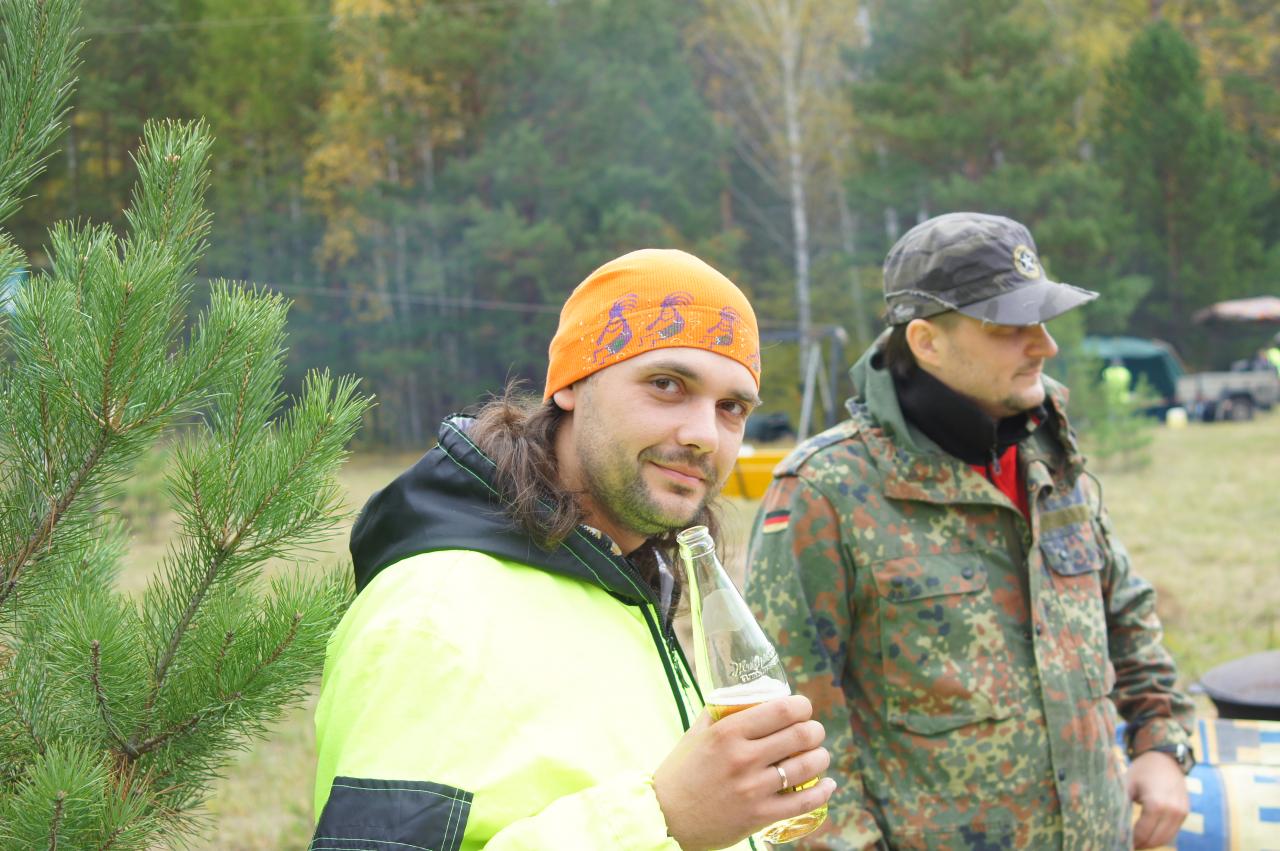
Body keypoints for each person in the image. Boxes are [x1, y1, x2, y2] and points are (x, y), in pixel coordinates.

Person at [311, 249, 835, 851]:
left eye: (731, 408)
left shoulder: (619, 577)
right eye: (666, 385)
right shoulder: (436, 613)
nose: (703, 435)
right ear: (570, 386)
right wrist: (667, 820)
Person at [744, 213, 1196, 850]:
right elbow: (791, 732)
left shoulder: (1045, 453)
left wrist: (1161, 745)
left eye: (1043, 320)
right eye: (1011, 327)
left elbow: (1123, 610)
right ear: (927, 342)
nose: (1045, 345)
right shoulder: (827, 492)